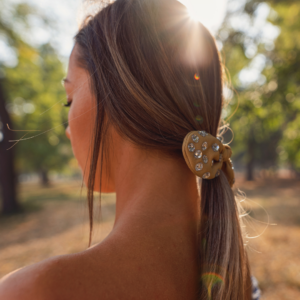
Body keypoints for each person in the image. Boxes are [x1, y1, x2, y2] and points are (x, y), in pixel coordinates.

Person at [0, 0, 261, 299]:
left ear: (119, 97)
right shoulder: (238, 278)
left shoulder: (36, 292)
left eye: (69, 99)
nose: (67, 128)